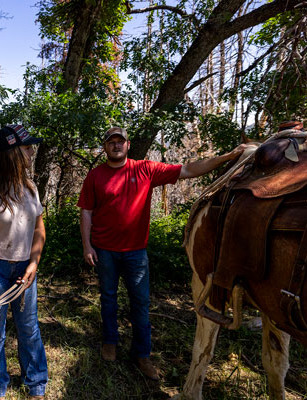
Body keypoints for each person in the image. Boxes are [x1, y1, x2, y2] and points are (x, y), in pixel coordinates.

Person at [78, 126, 248, 381]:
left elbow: (188, 170)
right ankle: (110, 341)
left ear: (128, 145)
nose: (115, 146)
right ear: (104, 147)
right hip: (104, 250)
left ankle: (142, 354)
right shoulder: (95, 176)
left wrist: (226, 158)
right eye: (111, 142)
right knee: (108, 298)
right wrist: (87, 246)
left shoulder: (144, 169)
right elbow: (86, 212)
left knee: (141, 303)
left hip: (136, 252)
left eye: (120, 142)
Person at [0, 124, 48, 400]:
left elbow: (39, 230)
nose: (31, 152)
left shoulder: (30, 188)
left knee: (29, 328)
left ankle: (36, 383)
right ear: (13, 153)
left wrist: (33, 264)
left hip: (25, 268)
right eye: (27, 148)